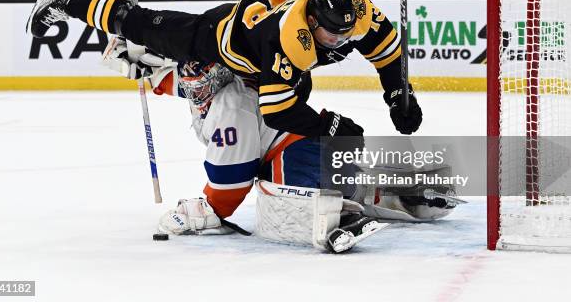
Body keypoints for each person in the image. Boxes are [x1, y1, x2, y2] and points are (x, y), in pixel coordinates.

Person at [99, 43, 454, 253]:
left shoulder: (230, 109)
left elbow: (231, 183)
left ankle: (344, 214)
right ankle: (410, 188)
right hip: (313, 146)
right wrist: (137, 63)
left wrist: (203, 211)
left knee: (277, 198)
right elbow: (181, 81)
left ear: (215, 77)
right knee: (335, 182)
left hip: (302, 156)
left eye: (197, 78)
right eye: (188, 76)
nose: (191, 84)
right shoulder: (213, 80)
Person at [27, 0, 423, 140]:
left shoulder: (355, 13)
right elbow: (277, 112)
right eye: (333, 34)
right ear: (313, 21)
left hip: (256, 40)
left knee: (300, 86)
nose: (343, 40)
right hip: (218, 37)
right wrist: (329, 126)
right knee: (139, 23)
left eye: (347, 32)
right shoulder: (289, 41)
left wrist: (397, 94)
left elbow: (387, 52)